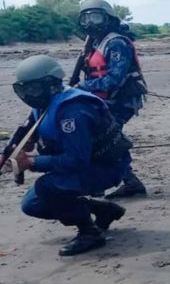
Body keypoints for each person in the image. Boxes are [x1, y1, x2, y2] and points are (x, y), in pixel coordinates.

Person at [1, 55, 130, 256]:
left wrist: (31, 162)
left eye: (33, 89)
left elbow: (76, 160)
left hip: (105, 167)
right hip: (86, 165)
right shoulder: (44, 103)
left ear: (51, 84)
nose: (28, 95)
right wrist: (9, 152)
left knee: (47, 186)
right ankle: (102, 210)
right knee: (32, 205)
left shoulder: (73, 110)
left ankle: (90, 232)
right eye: (23, 90)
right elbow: (27, 130)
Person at [74, 0, 148, 198]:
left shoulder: (116, 43)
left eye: (95, 17)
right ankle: (129, 182)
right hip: (103, 100)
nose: (90, 23)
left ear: (108, 18)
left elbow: (113, 80)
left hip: (122, 100)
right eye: (86, 18)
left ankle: (102, 185)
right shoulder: (95, 43)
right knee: (107, 139)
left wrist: (79, 87)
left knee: (106, 139)